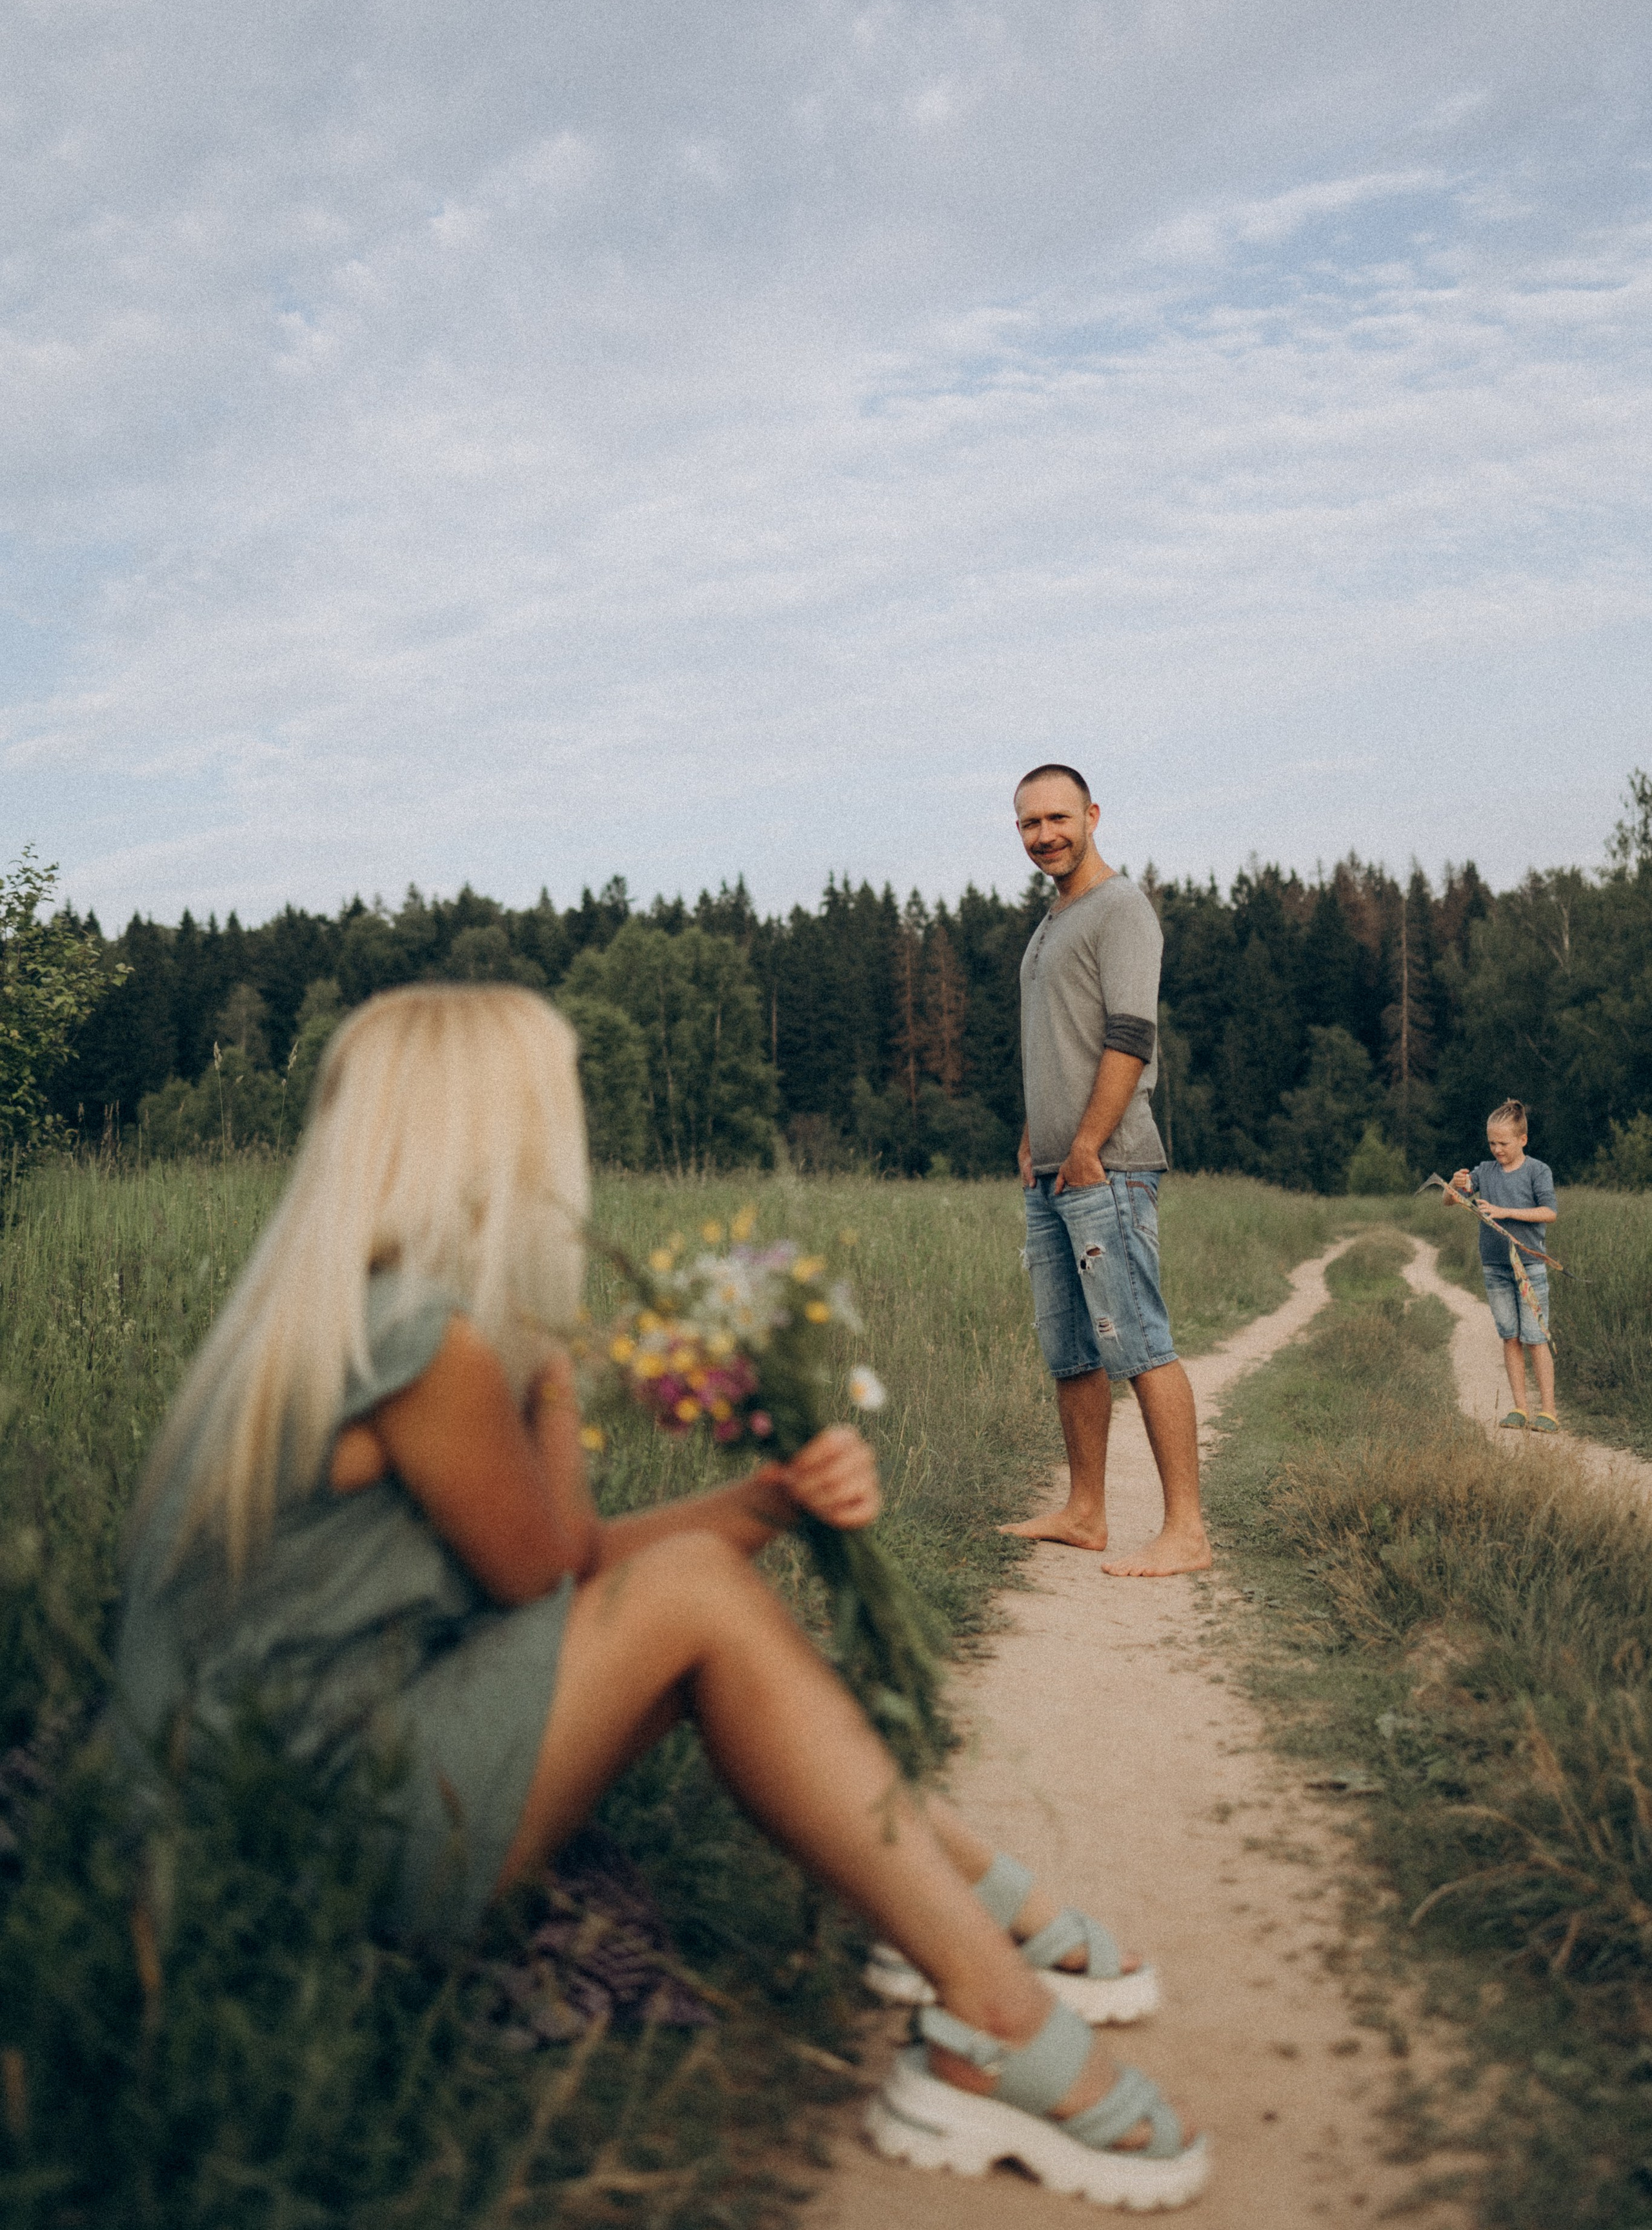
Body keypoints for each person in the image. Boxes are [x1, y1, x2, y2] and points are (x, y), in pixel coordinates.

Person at [116, 983, 1207, 2208]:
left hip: (259, 1806)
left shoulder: (348, 1313)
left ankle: (980, 1914)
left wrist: (770, 1498)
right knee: (692, 1592)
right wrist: (557, 1358)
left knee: (694, 1590)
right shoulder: (428, 1343)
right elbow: (558, 1578)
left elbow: (560, 1567)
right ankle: (991, 2012)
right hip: (297, 1840)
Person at [1004, 767, 1211, 1577]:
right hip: (1053, 1171)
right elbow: (1058, 1043)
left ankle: (1186, 1531)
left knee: (1140, 1342)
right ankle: (1085, 1512)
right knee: (1071, 1350)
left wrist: (1088, 1143)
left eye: (1057, 817)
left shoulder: (1120, 909)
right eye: (1028, 824)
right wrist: (1035, 1138)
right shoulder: (1052, 919)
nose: (1044, 834)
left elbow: (1130, 1036)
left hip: (1108, 1166)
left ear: (1091, 815)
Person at [1447, 1099, 1559, 1433]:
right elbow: (1452, 1200)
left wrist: (1505, 1211)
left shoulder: (1538, 1171)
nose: (1497, 1149)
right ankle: (1520, 1409)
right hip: (1495, 1268)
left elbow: (1549, 1213)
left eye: (1504, 1143)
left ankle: (1549, 1412)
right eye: (1492, 1143)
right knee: (1510, 1337)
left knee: (1535, 1338)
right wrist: (1454, 1187)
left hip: (1530, 1267)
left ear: (1523, 1140)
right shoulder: (1484, 1171)